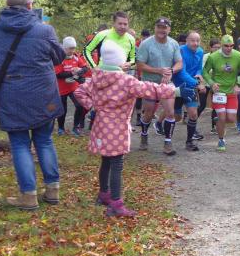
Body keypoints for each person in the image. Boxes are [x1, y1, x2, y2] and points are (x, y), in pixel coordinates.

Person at [74, 40, 179, 217]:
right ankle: (116, 204)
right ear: (119, 61)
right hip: (117, 127)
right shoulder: (126, 81)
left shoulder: (97, 77)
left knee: (106, 160)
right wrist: (174, 91)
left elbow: (79, 92)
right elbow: (150, 89)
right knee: (117, 163)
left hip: (100, 125)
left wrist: (93, 106)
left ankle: (104, 194)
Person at [0, 0, 65, 211]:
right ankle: (52, 190)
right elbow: (59, 57)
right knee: (44, 140)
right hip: (43, 94)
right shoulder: (45, 31)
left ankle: (28, 196)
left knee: (20, 143)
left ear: (7, 4)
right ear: (30, 5)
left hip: (12, 93)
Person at [136, 17, 183, 154]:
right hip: (149, 82)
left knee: (170, 112)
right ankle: (144, 135)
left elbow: (179, 63)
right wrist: (158, 70)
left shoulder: (174, 44)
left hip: (166, 83)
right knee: (149, 113)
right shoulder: (146, 44)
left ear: (169, 29)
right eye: (159, 27)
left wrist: (171, 71)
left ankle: (168, 143)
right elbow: (140, 65)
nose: (161, 30)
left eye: (164, 27)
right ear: (155, 28)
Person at [202, 34, 240, 151]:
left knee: (231, 119)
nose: (229, 48)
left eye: (231, 45)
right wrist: (212, 83)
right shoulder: (213, 57)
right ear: (221, 45)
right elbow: (204, 71)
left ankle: (219, 121)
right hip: (219, 92)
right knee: (222, 117)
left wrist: (239, 84)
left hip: (232, 91)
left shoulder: (238, 56)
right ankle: (221, 140)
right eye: (226, 46)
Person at [54, 36, 90, 136]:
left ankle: (75, 128)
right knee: (63, 109)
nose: (72, 51)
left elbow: (85, 67)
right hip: (61, 89)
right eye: (70, 48)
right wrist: (72, 73)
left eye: (73, 48)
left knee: (79, 105)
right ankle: (61, 128)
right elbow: (58, 74)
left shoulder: (76, 57)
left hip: (73, 87)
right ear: (64, 48)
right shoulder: (59, 58)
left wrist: (80, 71)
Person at [175, 31, 204, 151]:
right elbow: (181, 72)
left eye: (197, 41)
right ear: (187, 41)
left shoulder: (200, 51)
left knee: (193, 114)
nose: (195, 43)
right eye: (192, 40)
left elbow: (199, 68)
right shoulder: (180, 50)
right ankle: (162, 128)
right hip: (178, 86)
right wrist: (197, 83)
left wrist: (198, 75)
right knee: (176, 117)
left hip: (191, 86)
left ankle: (189, 142)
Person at [199, 38, 221, 134]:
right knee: (202, 105)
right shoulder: (206, 57)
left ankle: (214, 127)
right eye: (215, 47)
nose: (217, 49)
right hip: (205, 83)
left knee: (216, 105)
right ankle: (193, 122)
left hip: (216, 84)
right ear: (210, 48)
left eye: (219, 47)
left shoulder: (222, 57)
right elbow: (203, 70)